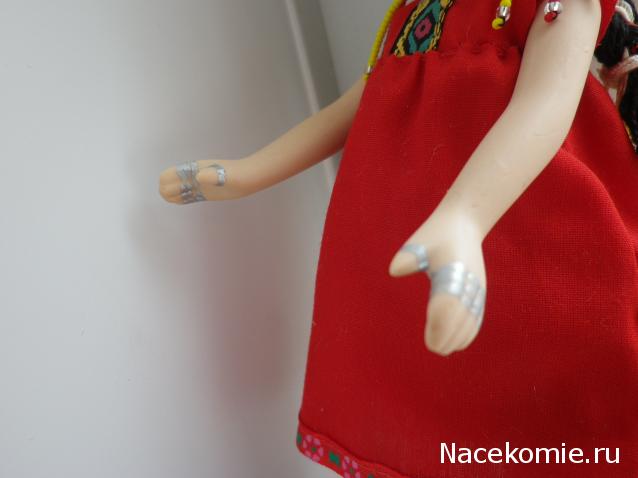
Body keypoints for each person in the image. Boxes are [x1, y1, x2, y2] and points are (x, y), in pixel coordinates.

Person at [159, 1, 638, 476]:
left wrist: (465, 218)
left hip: (525, 255)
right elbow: (364, 101)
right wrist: (247, 173)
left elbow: (546, 104)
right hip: (401, 273)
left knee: (535, 429)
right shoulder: (414, 12)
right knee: (412, 420)